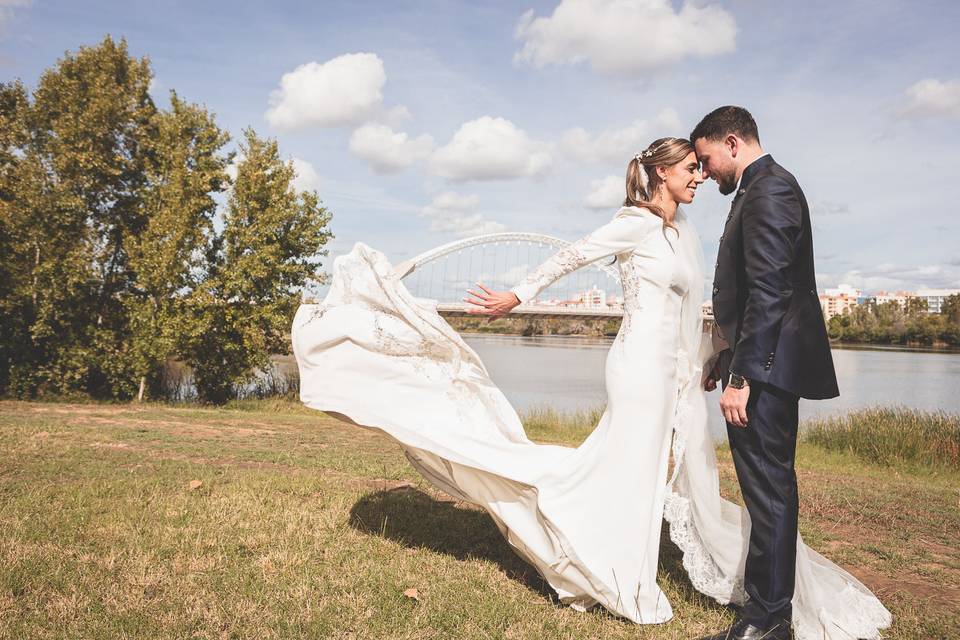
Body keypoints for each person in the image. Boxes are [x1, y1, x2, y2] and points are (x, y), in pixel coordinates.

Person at [291, 133, 891, 638]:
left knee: (677, 476)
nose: (699, 179)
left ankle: (748, 590)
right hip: (636, 371)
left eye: (700, 170)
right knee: (633, 470)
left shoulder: (684, 235)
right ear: (660, 173)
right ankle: (619, 575)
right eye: (689, 169)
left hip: (676, 374)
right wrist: (517, 296)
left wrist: (712, 357)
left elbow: (693, 307)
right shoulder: (631, 225)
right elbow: (570, 257)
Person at [690, 105, 868, 640]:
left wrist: (742, 377)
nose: (704, 172)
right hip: (758, 362)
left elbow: (771, 291)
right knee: (766, 488)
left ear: (732, 142)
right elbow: (753, 294)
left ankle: (768, 619)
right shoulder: (758, 188)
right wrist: (726, 356)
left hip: (765, 373)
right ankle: (769, 609)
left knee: (769, 491)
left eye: (706, 159)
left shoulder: (769, 191)